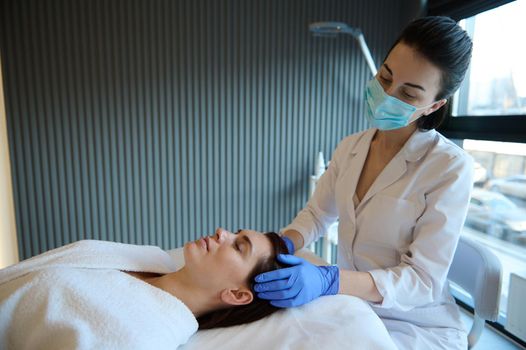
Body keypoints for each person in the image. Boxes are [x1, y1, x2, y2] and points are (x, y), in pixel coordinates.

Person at [254, 16, 474, 350]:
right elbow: (316, 215)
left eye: (408, 94)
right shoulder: (351, 147)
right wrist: (280, 245)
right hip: (352, 307)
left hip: (416, 325)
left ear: (435, 105)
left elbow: (423, 281)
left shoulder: (449, 168)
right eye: (385, 76)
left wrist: (329, 280)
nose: (387, 94)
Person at [0, 228, 288, 349]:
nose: (222, 233)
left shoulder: (140, 337)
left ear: (237, 294)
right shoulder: (151, 257)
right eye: (235, 232)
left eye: (239, 246)